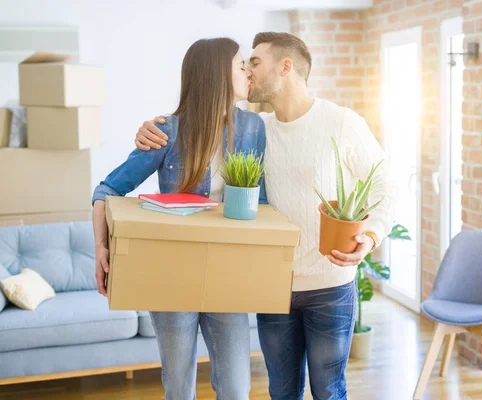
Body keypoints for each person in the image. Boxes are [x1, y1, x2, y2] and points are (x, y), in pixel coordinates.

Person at [135, 32, 397, 400]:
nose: (248, 70)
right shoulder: (256, 131)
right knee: (281, 390)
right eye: (243, 64)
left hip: (330, 285)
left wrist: (370, 237)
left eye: (254, 62)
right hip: (274, 285)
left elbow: (386, 185)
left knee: (329, 389)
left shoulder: (342, 123)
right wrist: (151, 130)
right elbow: (203, 131)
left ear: (285, 67)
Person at [92, 37, 266, 400]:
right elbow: (106, 191)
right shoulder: (167, 131)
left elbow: (261, 203)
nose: (247, 71)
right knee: (178, 384)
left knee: (237, 387)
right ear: (217, 75)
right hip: (170, 273)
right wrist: (101, 249)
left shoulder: (255, 128)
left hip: (228, 274)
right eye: (239, 65)